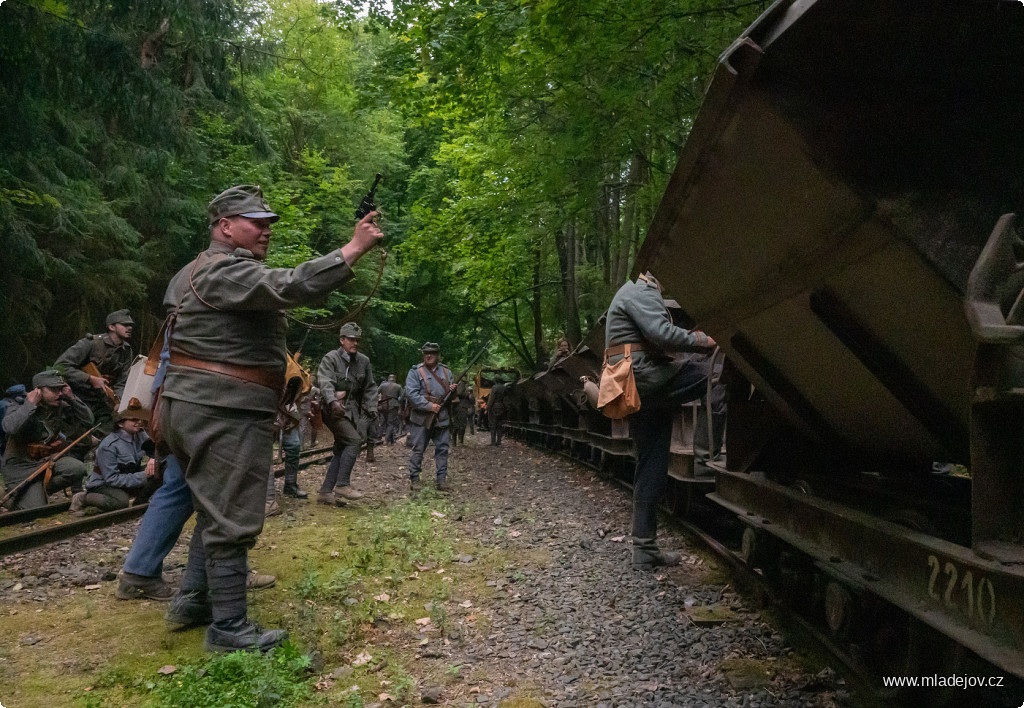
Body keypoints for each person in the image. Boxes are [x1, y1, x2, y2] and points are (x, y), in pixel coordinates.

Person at [156, 184, 382, 652]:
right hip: (223, 411)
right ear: (224, 226)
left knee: (212, 507)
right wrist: (353, 250)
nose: (266, 229)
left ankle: (195, 599)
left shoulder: (189, 272)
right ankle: (229, 628)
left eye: (268, 221)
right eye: (255, 221)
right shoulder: (225, 271)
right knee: (233, 513)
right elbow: (289, 285)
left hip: (189, 406)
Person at [604, 272, 723, 569]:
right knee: (716, 373)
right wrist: (706, 340)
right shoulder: (643, 289)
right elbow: (661, 333)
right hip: (643, 378)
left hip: (636, 385)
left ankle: (644, 548)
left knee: (651, 466)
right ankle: (706, 461)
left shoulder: (632, 291)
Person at [1, 370, 92, 510]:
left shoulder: (59, 405)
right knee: (37, 509)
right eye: (53, 389)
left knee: (77, 468)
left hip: (45, 462)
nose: (59, 393)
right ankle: (12, 496)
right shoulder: (20, 406)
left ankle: (37, 489)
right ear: (38, 391)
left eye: (60, 389)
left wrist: (72, 398)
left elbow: (88, 421)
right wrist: (30, 404)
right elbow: (9, 427)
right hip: (20, 467)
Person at [316, 322, 378, 506]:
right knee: (354, 440)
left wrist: (372, 408)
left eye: (357, 340)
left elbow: (370, 388)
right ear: (342, 340)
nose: (355, 343)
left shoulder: (363, 361)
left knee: (342, 448)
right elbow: (325, 382)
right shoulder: (331, 358)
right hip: (332, 410)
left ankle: (325, 492)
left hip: (352, 411)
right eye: (351, 339)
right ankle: (342, 485)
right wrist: (333, 400)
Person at [55, 309, 135, 434]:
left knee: (106, 434)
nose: (129, 328)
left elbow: (122, 380)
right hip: (77, 399)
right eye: (125, 325)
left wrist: (118, 401)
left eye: (130, 325)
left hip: (101, 402)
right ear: (111, 327)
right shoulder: (90, 343)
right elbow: (60, 367)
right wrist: (89, 378)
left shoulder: (126, 351)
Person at [75, 400, 159, 514]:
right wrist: (143, 476)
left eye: (140, 419)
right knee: (121, 502)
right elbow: (111, 479)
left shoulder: (140, 435)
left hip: (128, 477)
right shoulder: (108, 446)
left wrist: (154, 459)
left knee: (160, 469)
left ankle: (139, 502)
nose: (139, 422)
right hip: (103, 484)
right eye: (133, 420)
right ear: (120, 423)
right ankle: (84, 498)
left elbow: (154, 449)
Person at [405, 342, 456, 491]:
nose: (429, 355)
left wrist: (453, 391)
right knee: (418, 449)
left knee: (442, 449)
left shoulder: (447, 373)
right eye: (426, 353)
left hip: (442, 417)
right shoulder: (415, 372)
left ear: (438, 355)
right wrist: (429, 406)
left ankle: (441, 480)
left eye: (432, 353)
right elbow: (411, 394)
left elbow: (453, 399)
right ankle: (414, 479)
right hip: (422, 418)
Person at [0, 384, 28, 457]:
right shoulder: (6, 405)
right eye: (23, 396)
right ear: (16, 396)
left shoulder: (4, 402)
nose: (24, 399)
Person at [377, 374, 403, 444]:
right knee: (390, 423)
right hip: (393, 406)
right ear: (395, 379)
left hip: (383, 405)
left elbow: (376, 393)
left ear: (388, 379)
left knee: (382, 422)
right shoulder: (398, 386)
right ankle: (386, 440)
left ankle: (379, 437)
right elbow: (401, 398)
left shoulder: (383, 385)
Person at [487, 378, 507, 446]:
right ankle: (499, 442)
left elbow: (491, 398)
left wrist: (488, 408)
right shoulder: (504, 387)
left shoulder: (494, 387)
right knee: (499, 425)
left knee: (493, 425)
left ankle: (493, 442)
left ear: (495, 381)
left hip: (494, 408)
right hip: (502, 407)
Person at [450, 381, 470, 446]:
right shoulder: (462, 383)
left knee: (456, 424)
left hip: (456, 406)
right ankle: (459, 442)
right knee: (461, 424)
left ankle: (455, 442)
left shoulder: (456, 384)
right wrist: (467, 394)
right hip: (461, 406)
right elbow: (460, 393)